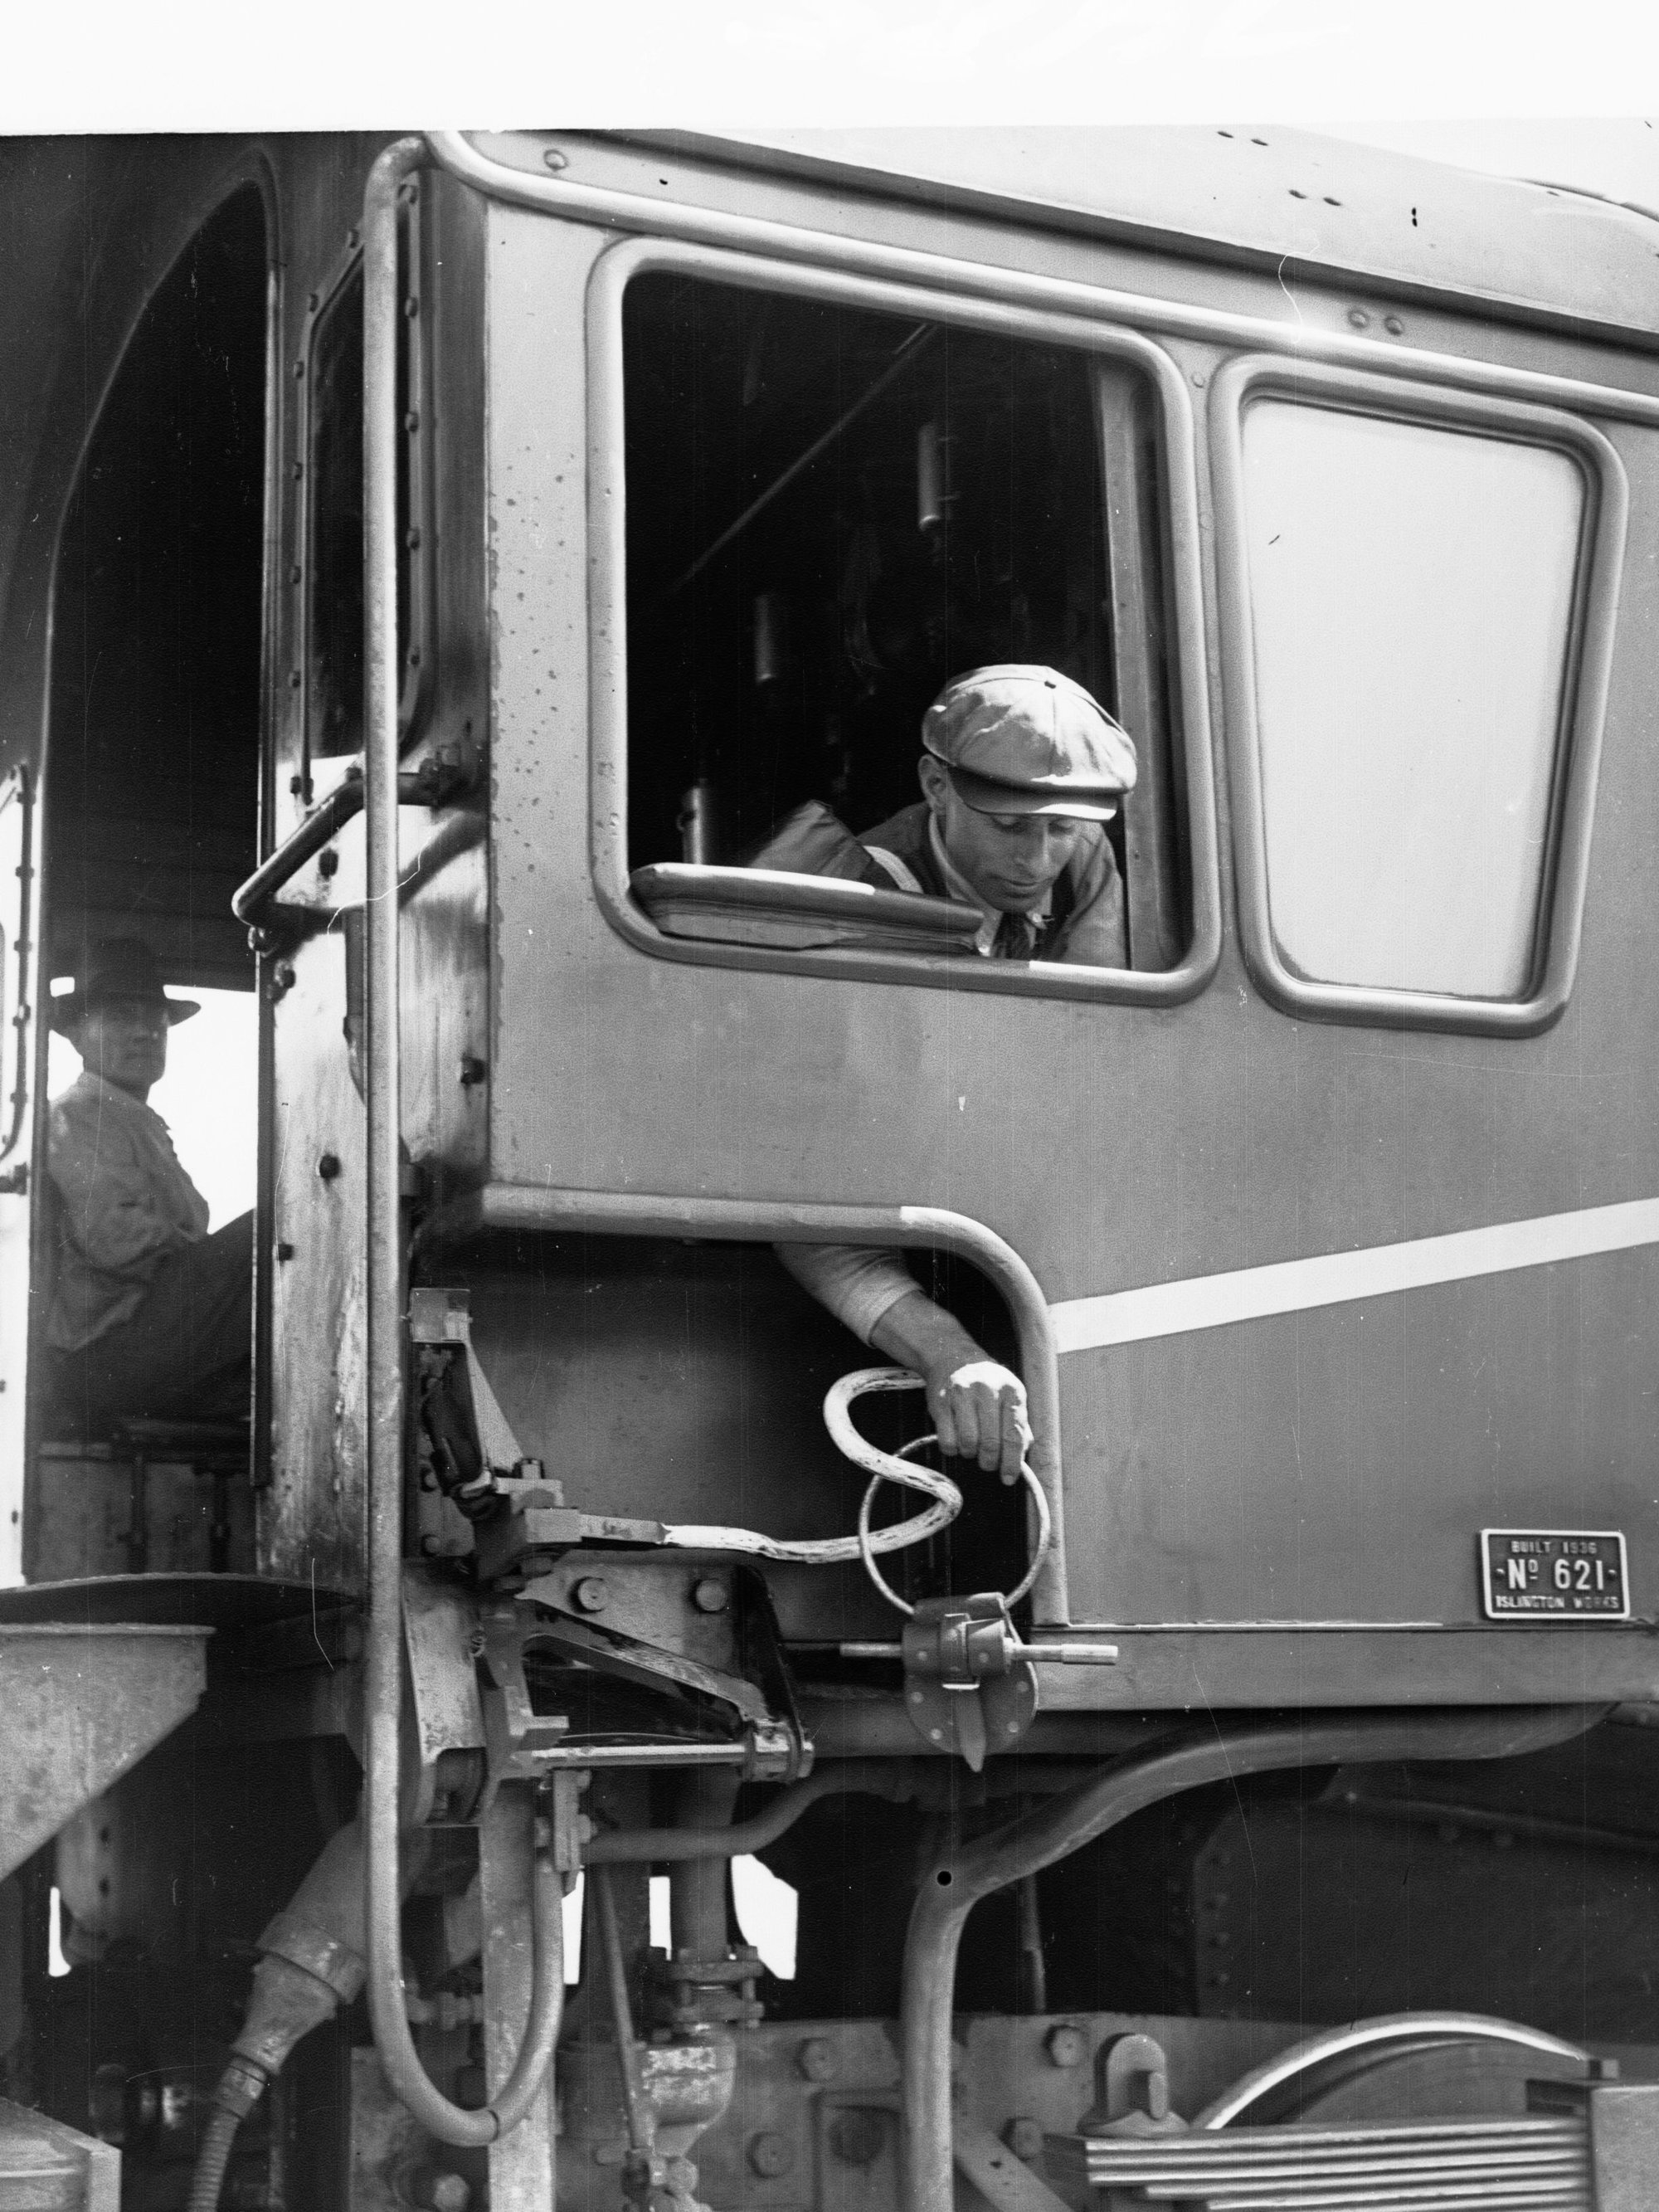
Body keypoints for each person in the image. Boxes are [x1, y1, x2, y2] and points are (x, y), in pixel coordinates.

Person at [779, 665, 1138, 1481]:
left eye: (1061, 827)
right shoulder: (851, 898)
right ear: (934, 785)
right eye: (1011, 825)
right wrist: (948, 1351)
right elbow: (807, 1208)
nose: (1038, 856)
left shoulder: (1081, 854)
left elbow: (1090, 1057)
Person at [42, 938, 252, 1435]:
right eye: (120, 1016)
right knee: (284, 1225)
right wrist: (212, 1262)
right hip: (109, 1351)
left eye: (155, 1021)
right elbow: (115, 1238)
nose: (144, 1033)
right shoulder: (75, 1116)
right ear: (74, 1031)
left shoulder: (134, 1121)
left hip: (144, 1341)